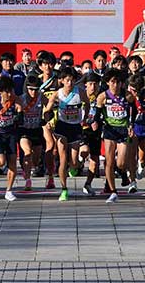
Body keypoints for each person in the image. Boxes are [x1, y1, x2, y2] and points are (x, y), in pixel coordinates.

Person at [44, 67, 90, 201]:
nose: (69, 83)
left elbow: (86, 104)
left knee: (74, 161)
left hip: (75, 127)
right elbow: (47, 110)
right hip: (62, 127)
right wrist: (47, 119)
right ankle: (64, 189)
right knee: (63, 158)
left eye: (72, 80)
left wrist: (85, 117)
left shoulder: (80, 92)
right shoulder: (57, 94)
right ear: (62, 81)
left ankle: (74, 167)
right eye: (67, 80)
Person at [97, 69, 134, 203]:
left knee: (121, 162)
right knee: (109, 162)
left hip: (123, 129)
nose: (115, 85)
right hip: (109, 130)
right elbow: (97, 113)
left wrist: (131, 125)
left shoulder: (128, 95)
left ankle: (123, 172)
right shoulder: (103, 96)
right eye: (112, 82)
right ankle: (113, 191)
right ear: (107, 82)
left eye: (118, 82)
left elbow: (133, 111)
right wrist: (96, 122)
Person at [18, 75, 44, 192]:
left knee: (36, 158)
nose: (33, 92)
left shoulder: (41, 97)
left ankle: (29, 168)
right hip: (24, 130)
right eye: (31, 89)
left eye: (36, 89)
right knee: (27, 152)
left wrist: (47, 116)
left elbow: (50, 107)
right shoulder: (21, 99)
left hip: (37, 130)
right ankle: (28, 180)